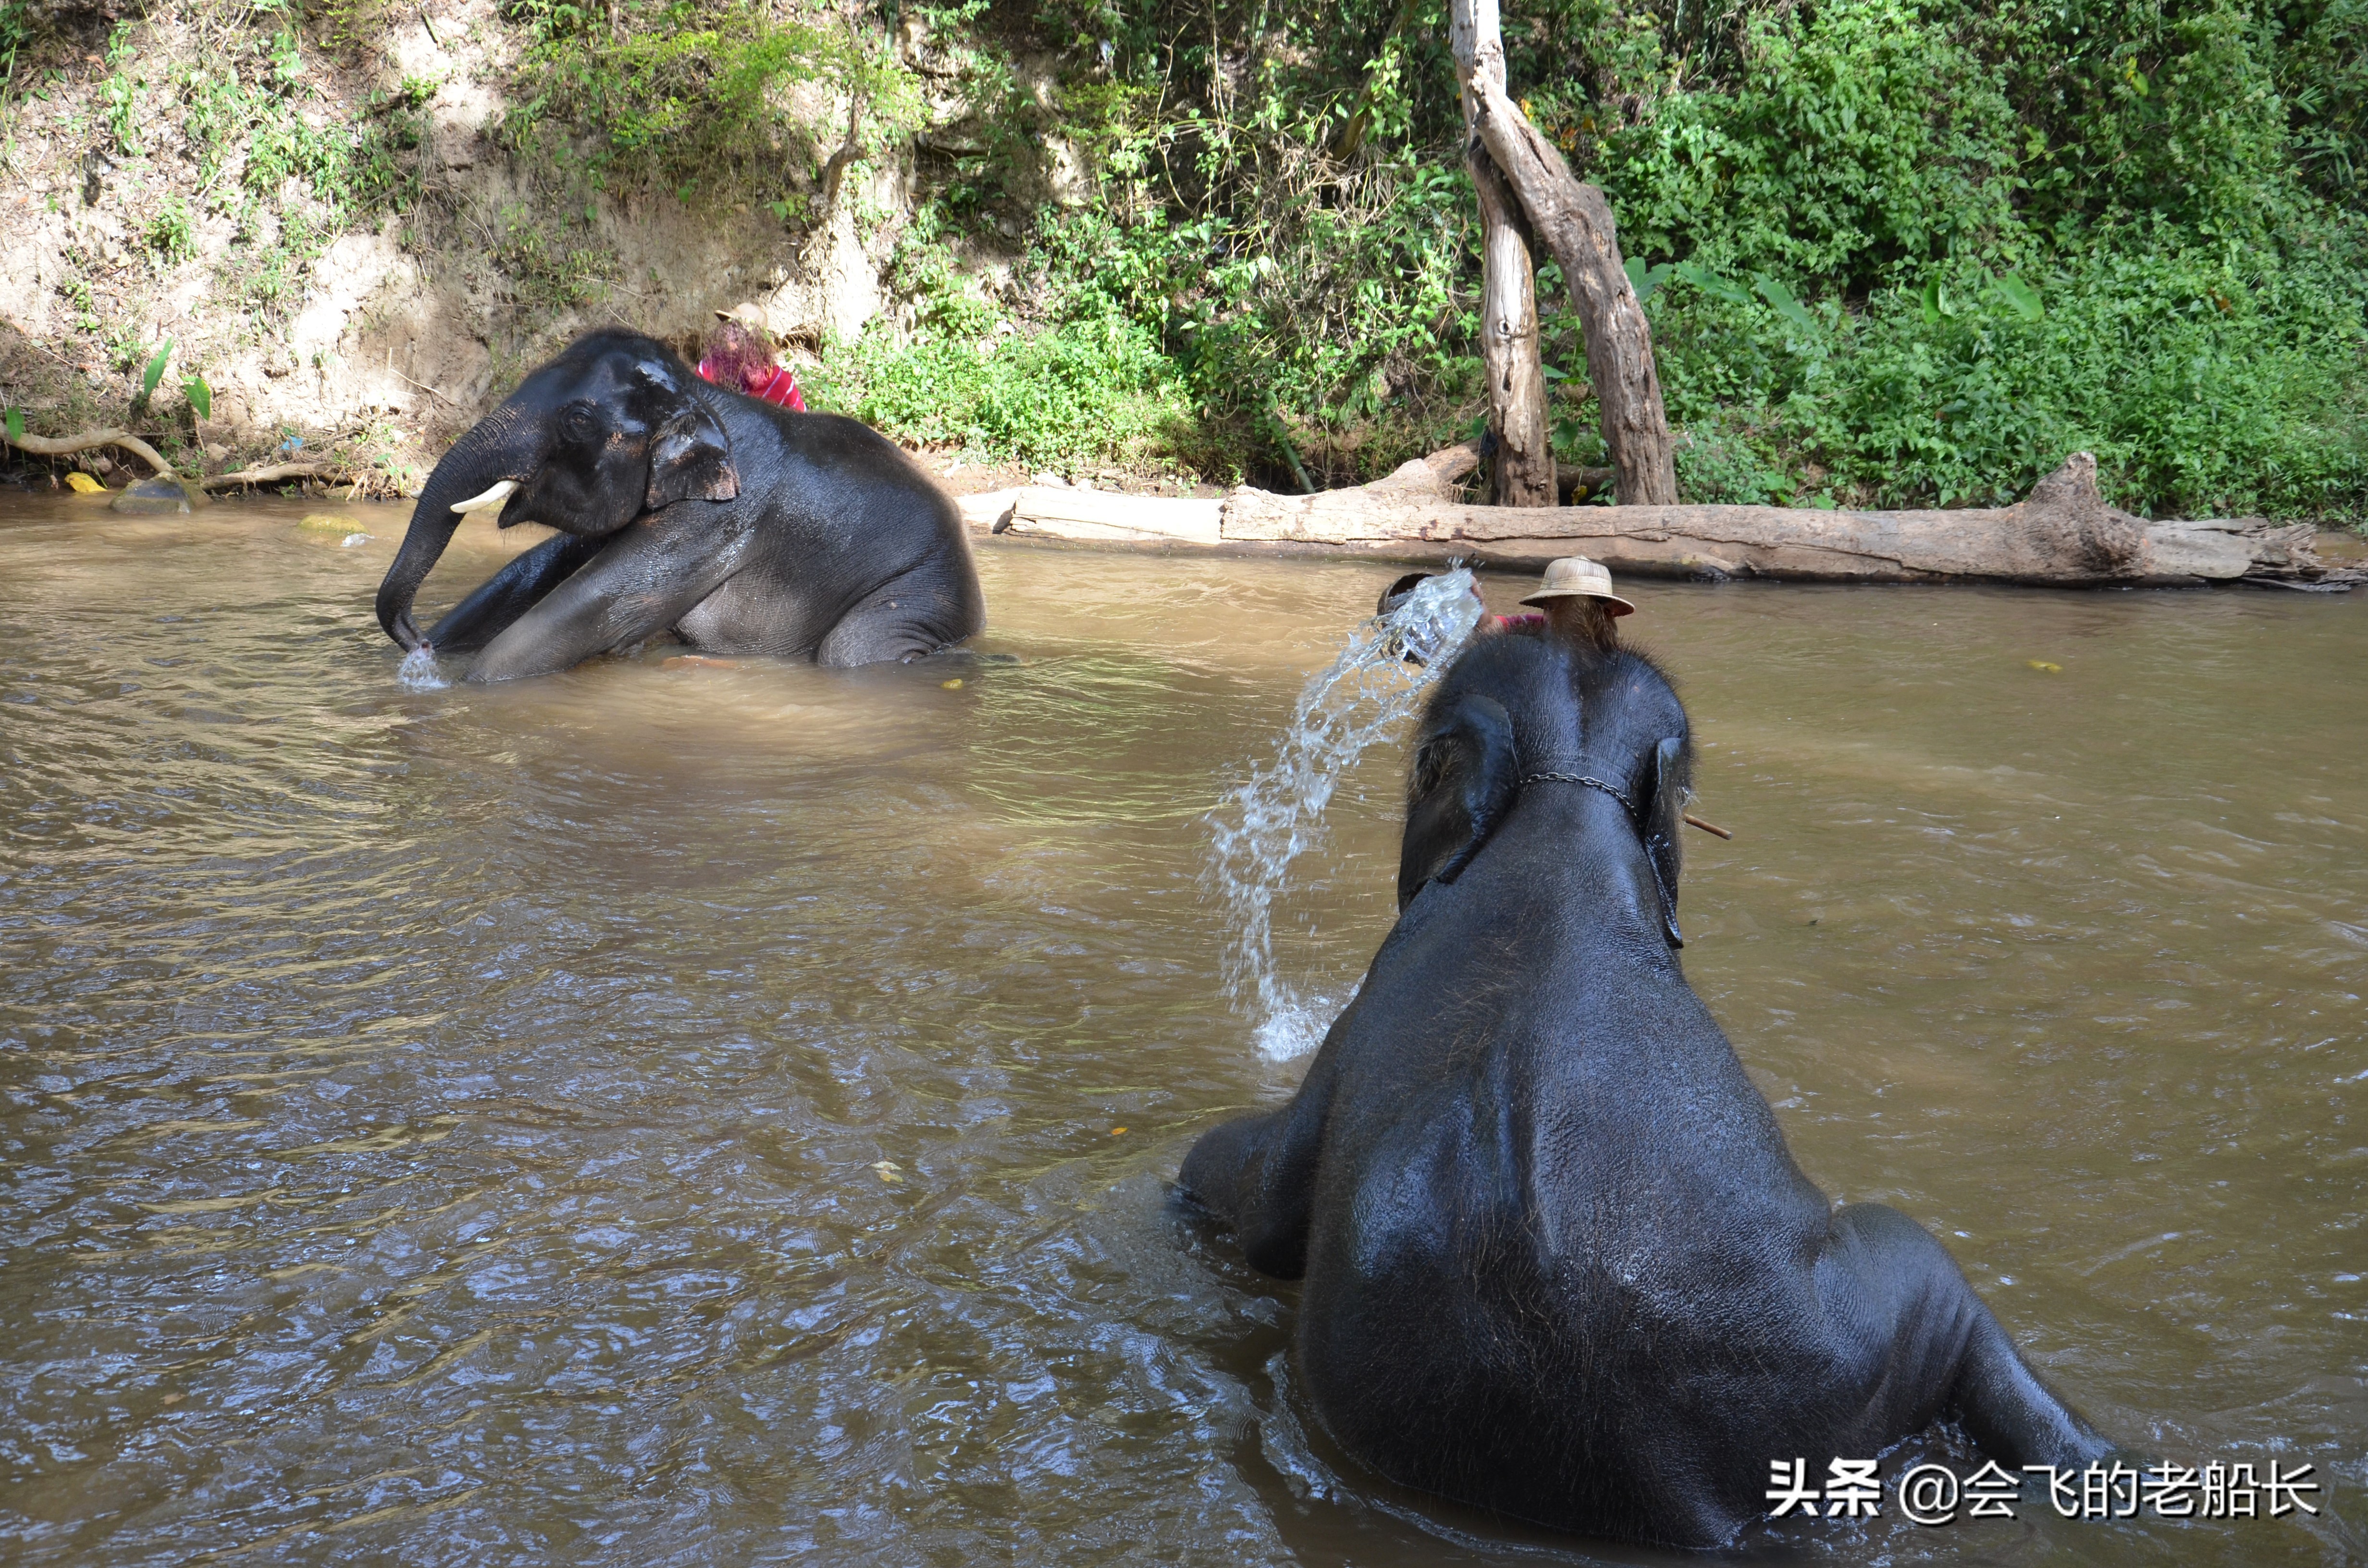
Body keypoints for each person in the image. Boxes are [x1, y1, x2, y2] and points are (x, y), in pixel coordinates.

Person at [1513, 554, 1634, 652]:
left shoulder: (1616, 656)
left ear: (1600, 615)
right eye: (1549, 608)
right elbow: (1495, 624)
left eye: (1569, 610)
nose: (1555, 618)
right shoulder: (1537, 626)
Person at [698, 303, 806, 411]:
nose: (728, 339)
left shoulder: (780, 382)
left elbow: (803, 422)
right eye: (727, 330)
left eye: (737, 335)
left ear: (757, 343)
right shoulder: (709, 368)